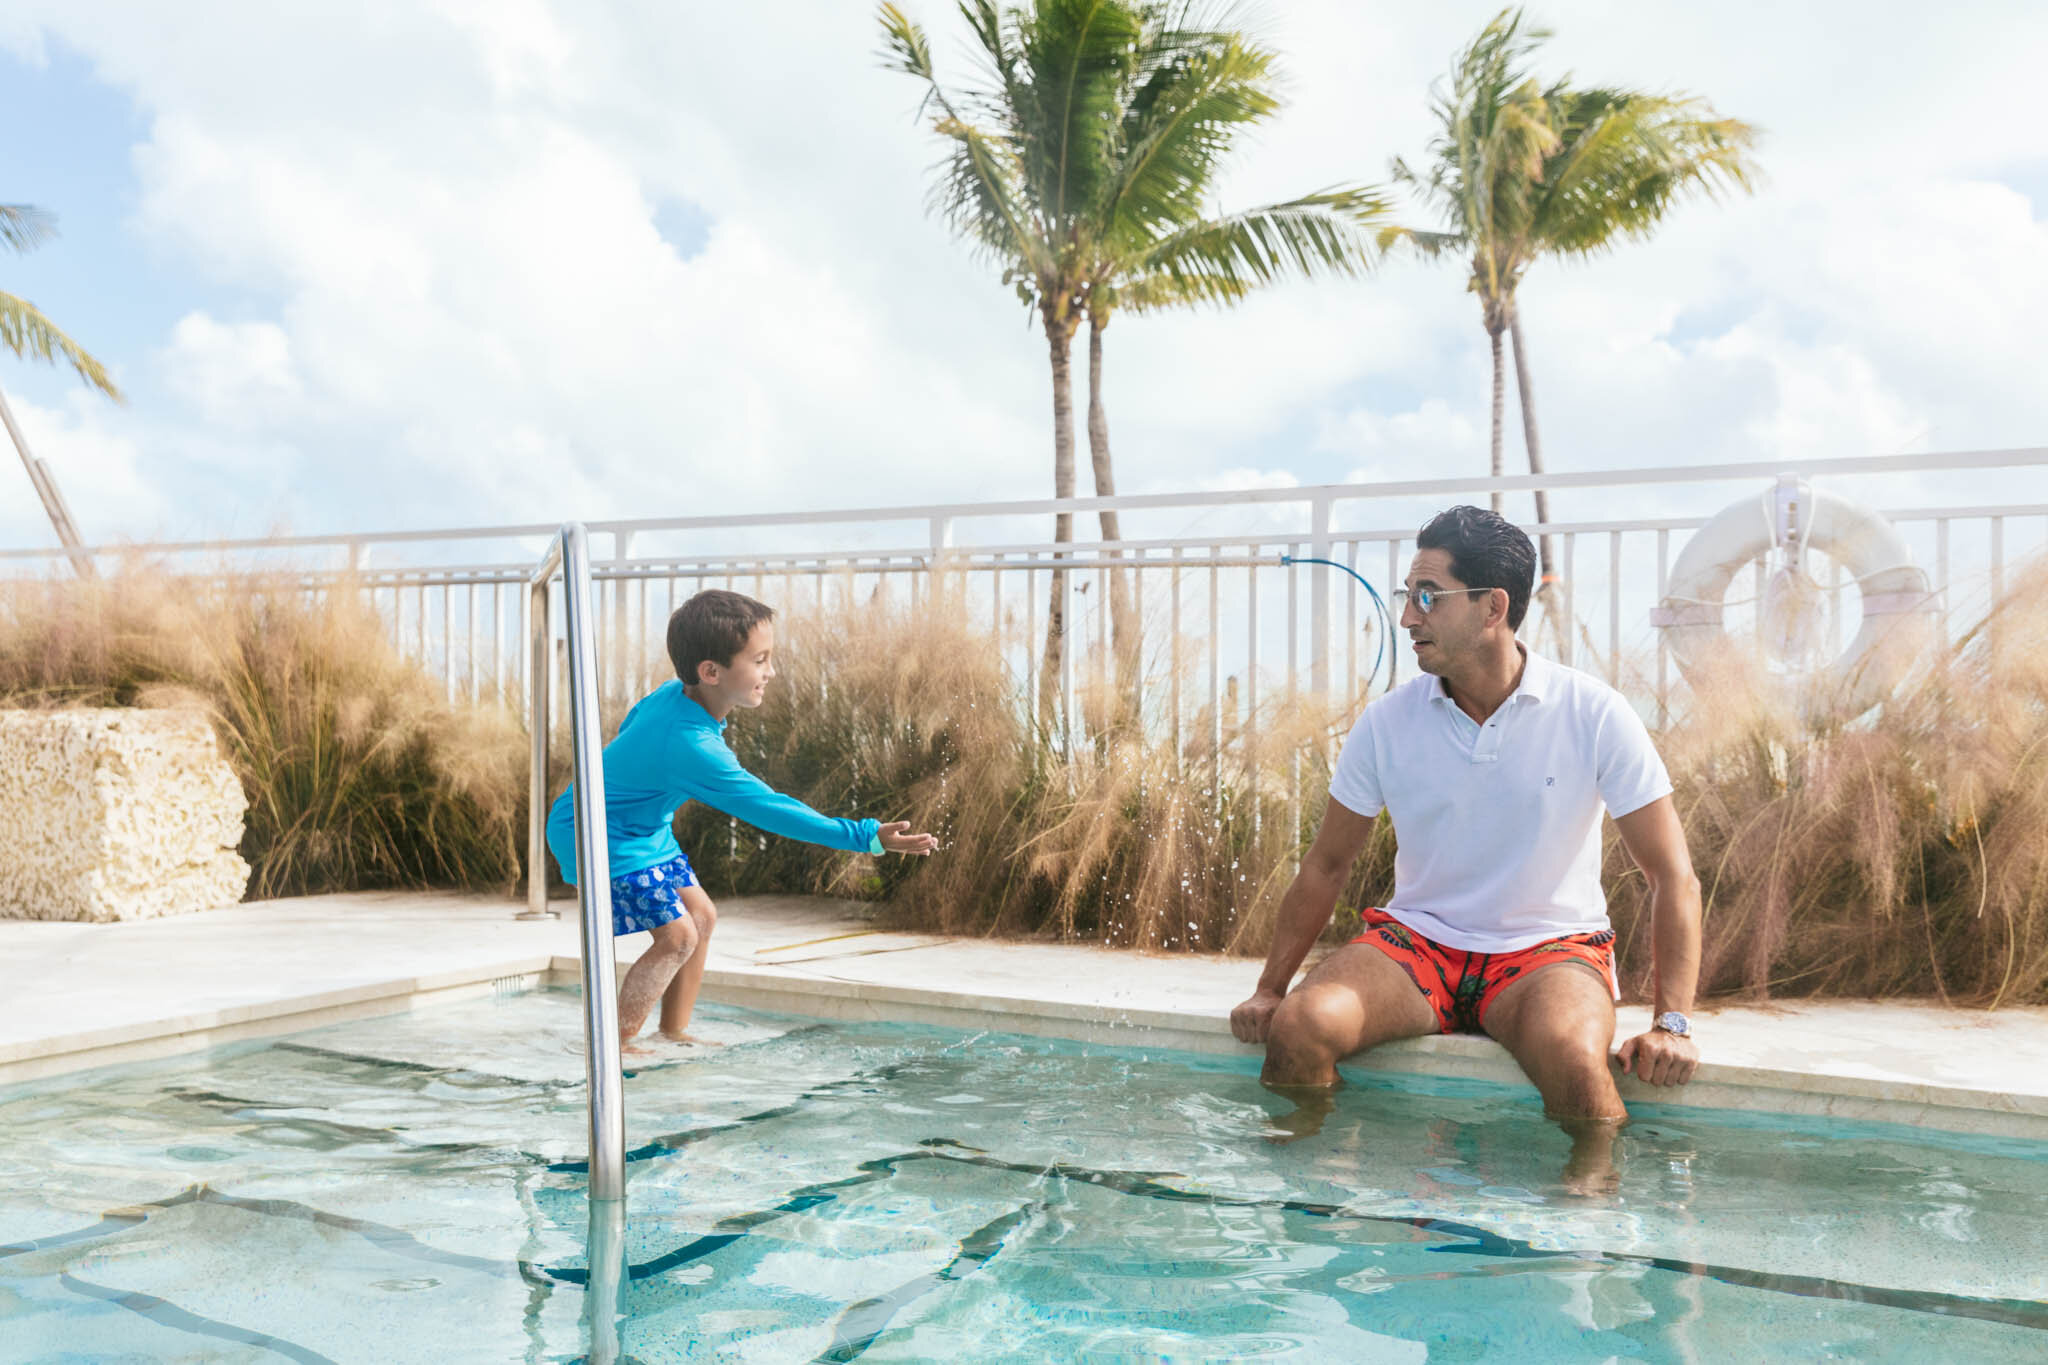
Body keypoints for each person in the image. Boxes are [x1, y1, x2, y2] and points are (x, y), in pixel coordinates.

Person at [1229, 506, 1702, 1185]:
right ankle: (1307, 1208)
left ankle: (1584, 1237)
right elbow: (1326, 864)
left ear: (1492, 608)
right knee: (1301, 1026)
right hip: (1418, 946)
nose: (1407, 617)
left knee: (1575, 1059)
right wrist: (1270, 990)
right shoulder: (1387, 723)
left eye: (1428, 596)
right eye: (1407, 596)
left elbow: (1672, 875)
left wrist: (1672, 1023)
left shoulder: (1593, 713)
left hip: (1548, 953)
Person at [546, 588, 937, 1051]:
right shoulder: (692, 745)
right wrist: (865, 836)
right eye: (760, 660)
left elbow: (629, 732)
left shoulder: (674, 695)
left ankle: (674, 1033)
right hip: (594, 834)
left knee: (702, 917)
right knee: (676, 937)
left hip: (643, 829)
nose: (771, 672)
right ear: (711, 672)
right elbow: (769, 809)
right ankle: (614, 1047)